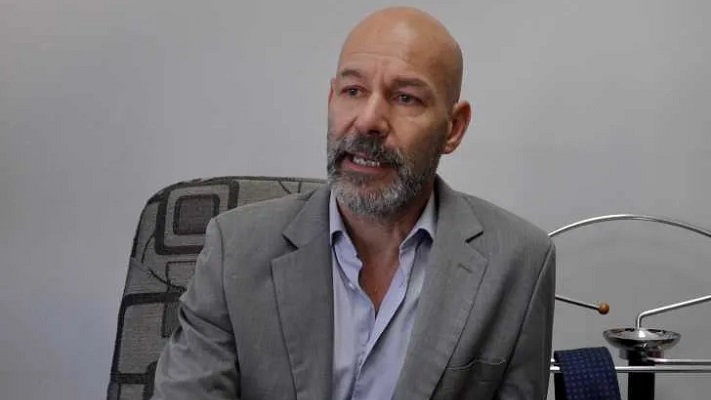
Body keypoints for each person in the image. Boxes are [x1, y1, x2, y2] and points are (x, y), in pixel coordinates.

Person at [152, 6, 555, 400]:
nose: (368, 120)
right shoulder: (235, 250)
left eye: (406, 98)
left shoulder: (518, 262)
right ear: (332, 98)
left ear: (454, 128)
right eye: (353, 91)